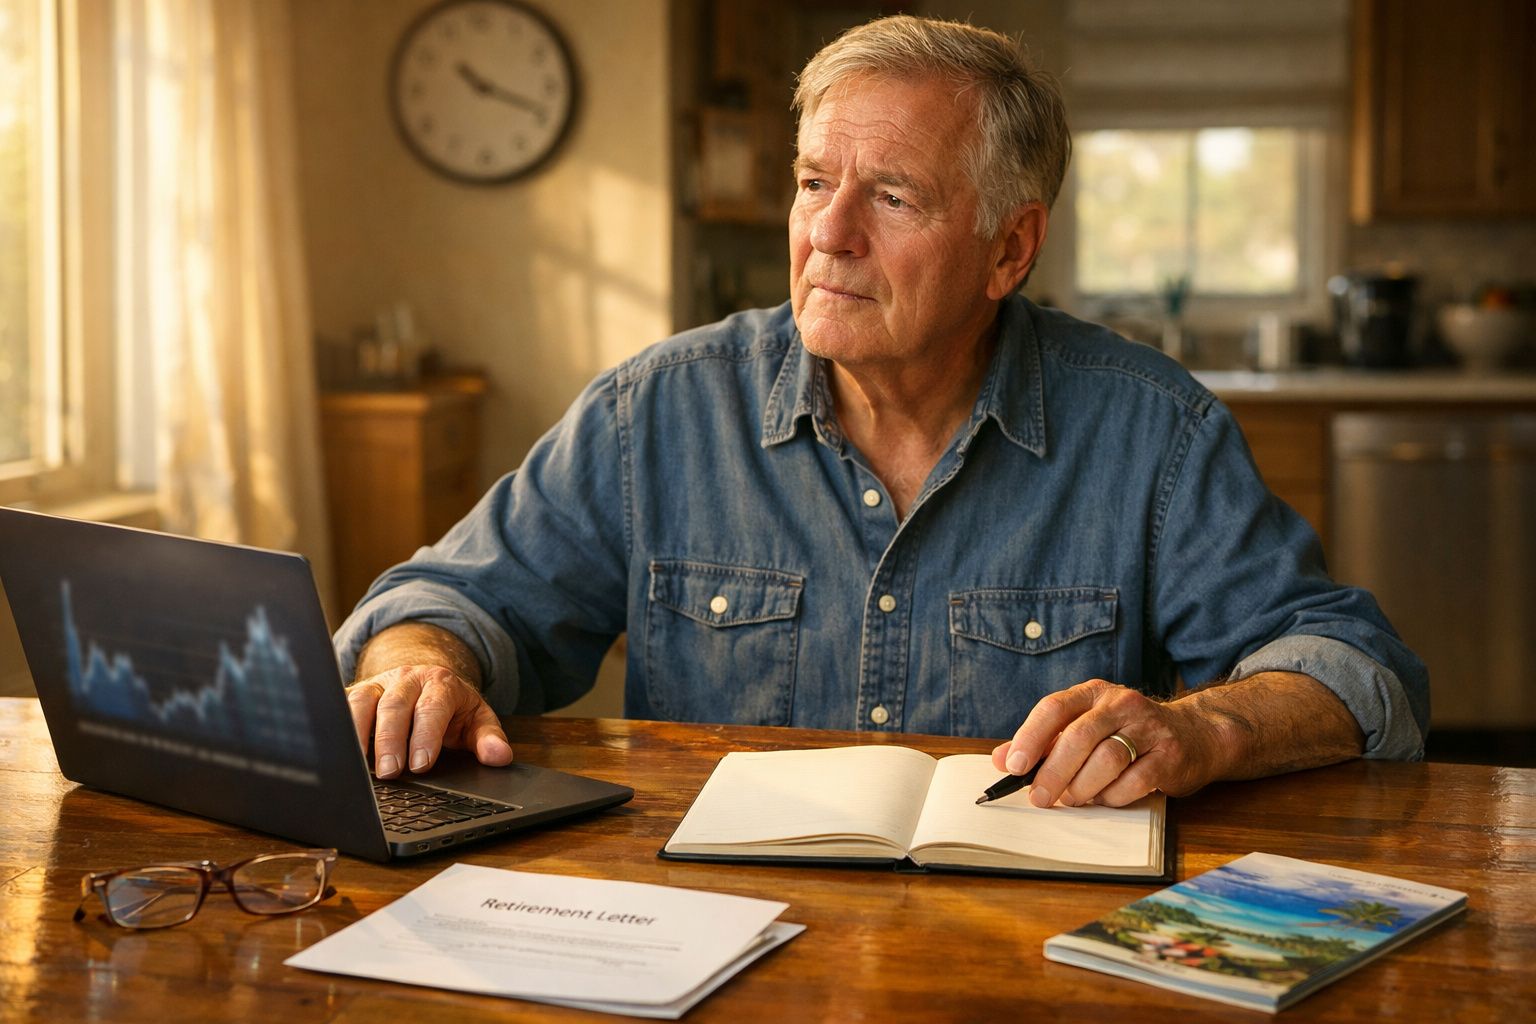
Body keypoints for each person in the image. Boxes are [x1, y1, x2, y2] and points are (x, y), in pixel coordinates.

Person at [335, 15, 1427, 811]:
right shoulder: (656, 411)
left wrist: (1203, 727)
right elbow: (449, 599)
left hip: (1022, 953)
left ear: (1010, 247)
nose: (830, 234)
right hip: (704, 938)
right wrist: (417, 667)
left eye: (893, 196)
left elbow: (1356, 668)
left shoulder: (1154, 431)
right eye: (815, 184)